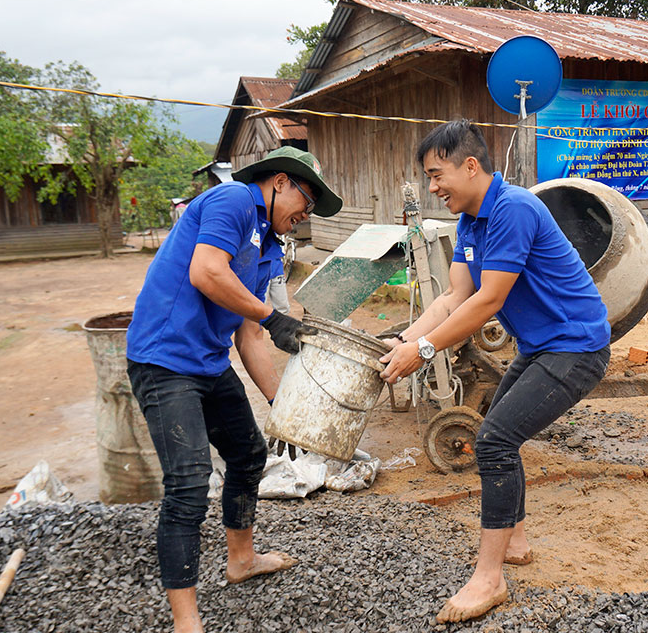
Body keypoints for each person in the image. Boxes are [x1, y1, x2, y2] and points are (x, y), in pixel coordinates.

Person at [379, 119, 611, 623]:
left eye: (437, 175)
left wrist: (420, 350)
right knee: (497, 433)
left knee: (494, 443)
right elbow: (454, 296)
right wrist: (402, 340)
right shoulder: (470, 222)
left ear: (470, 165)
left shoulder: (514, 209)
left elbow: (488, 301)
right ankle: (517, 542)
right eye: (428, 178)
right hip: (541, 346)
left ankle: (489, 579)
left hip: (576, 346)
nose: (433, 187)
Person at [125, 146, 342, 633]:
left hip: (207, 362)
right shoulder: (233, 201)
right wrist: (273, 316)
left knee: (247, 456)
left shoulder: (268, 248)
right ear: (280, 182)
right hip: (163, 359)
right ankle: (186, 620)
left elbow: (248, 334)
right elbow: (206, 273)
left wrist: (280, 405)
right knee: (188, 481)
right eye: (306, 201)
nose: (305, 215)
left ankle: (241, 560)